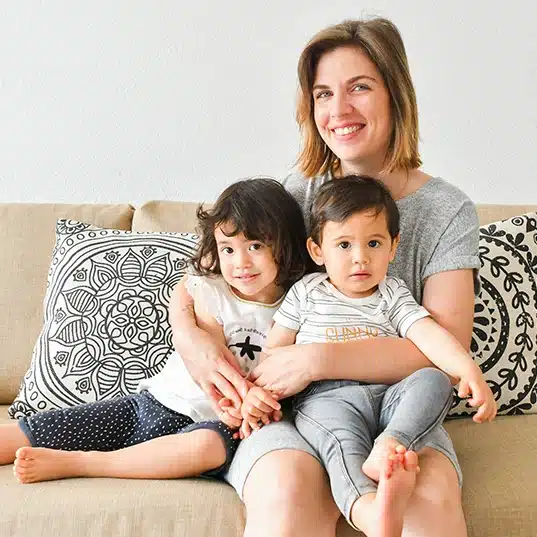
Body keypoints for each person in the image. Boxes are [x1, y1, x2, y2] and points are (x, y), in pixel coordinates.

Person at [170, 17, 483, 537]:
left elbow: (445, 350)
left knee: (426, 499)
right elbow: (200, 276)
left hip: (402, 410)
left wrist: (315, 358)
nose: (338, 110)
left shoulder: (445, 210)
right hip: (296, 413)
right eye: (323, 94)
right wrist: (193, 340)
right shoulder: (297, 193)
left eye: (359, 87)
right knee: (289, 488)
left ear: (395, 94)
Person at [0, 178, 309, 484]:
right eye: (227, 249)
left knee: (207, 448)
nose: (240, 262)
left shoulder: (298, 303)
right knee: (43, 429)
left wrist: (254, 404)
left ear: (286, 244)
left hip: (214, 424)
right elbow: (215, 359)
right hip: (156, 403)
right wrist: (243, 397)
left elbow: (283, 369)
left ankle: (83, 462)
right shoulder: (211, 291)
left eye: (255, 246)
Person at [241, 176, 495, 537]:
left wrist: (468, 370)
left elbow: (428, 336)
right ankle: (371, 513)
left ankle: (394, 443)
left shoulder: (393, 292)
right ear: (317, 251)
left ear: (394, 248)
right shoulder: (306, 293)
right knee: (340, 447)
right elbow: (274, 355)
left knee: (434, 379)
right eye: (343, 244)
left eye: (373, 243)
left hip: (391, 395)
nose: (360, 257)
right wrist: (258, 395)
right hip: (327, 398)